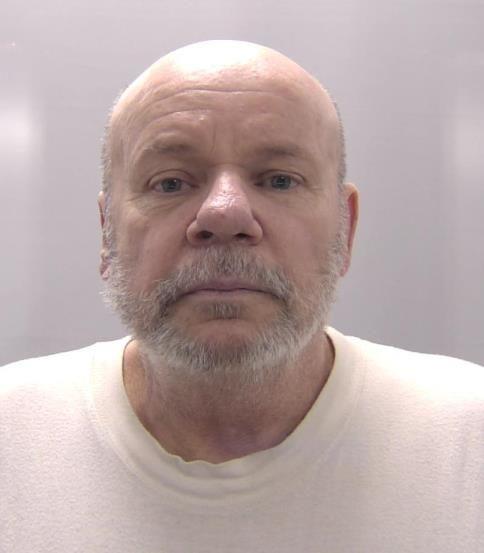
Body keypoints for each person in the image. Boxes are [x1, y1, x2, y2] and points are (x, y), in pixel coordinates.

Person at [1, 40, 483, 552]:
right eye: (170, 183)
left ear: (346, 228)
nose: (225, 214)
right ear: (107, 231)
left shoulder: (468, 436)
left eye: (279, 180)